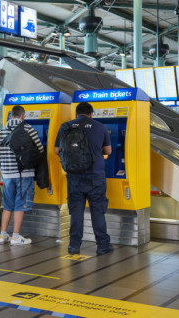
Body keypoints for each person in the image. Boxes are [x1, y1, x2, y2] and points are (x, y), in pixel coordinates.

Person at [55, 102, 112, 256]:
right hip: (96, 176)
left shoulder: (65, 127)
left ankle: (74, 246)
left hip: (74, 177)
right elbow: (108, 150)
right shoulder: (100, 127)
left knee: (76, 212)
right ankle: (102, 246)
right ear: (91, 113)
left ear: (76, 113)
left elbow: (57, 150)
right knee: (98, 211)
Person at [0, 105, 44, 246]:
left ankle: (2, 235)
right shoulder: (29, 130)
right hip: (24, 174)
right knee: (20, 205)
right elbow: (40, 149)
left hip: (7, 175)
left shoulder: (0, 132)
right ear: (23, 116)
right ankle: (16, 237)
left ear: (10, 116)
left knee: (7, 205)